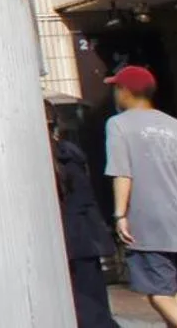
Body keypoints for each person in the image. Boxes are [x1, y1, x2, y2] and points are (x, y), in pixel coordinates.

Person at [107, 64, 177, 328]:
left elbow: (122, 173)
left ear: (125, 91)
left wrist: (120, 215)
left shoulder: (118, 125)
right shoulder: (176, 126)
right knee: (176, 295)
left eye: (116, 88)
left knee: (160, 295)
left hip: (150, 222)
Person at [48, 111, 118, 328]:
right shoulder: (72, 155)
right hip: (85, 239)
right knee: (94, 306)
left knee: (85, 309)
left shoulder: (53, 159)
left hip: (66, 241)